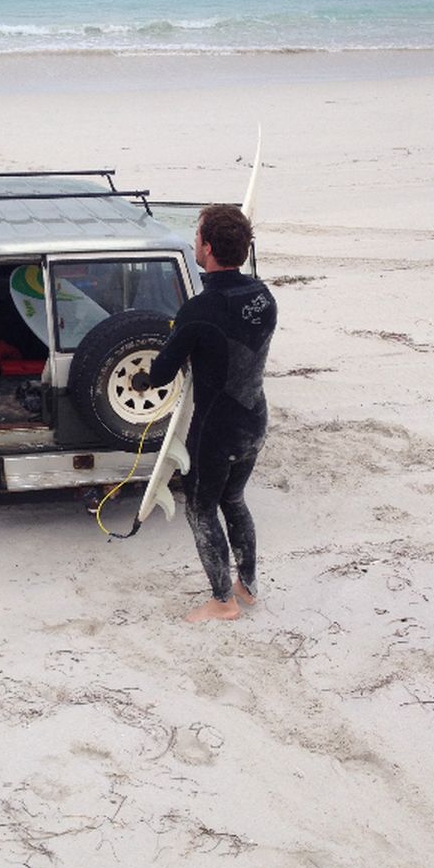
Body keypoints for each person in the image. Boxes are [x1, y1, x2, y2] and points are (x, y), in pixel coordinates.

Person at [136, 204, 277, 622]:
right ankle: (247, 587)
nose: (194, 243)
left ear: (209, 247)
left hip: (216, 430)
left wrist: (143, 380)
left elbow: (162, 374)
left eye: (197, 237)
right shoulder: (263, 296)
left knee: (200, 508)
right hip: (254, 420)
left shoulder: (199, 311)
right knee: (234, 499)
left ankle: (221, 602)